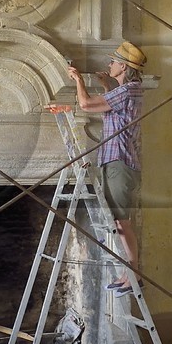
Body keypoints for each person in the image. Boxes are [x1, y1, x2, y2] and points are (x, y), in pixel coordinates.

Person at [47, 41, 147, 293]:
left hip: (120, 164)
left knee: (122, 222)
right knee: (115, 220)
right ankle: (127, 272)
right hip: (113, 161)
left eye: (113, 62)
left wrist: (78, 79)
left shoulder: (130, 90)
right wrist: (106, 85)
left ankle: (134, 274)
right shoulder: (127, 90)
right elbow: (115, 109)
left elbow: (87, 105)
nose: (109, 65)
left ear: (123, 66)